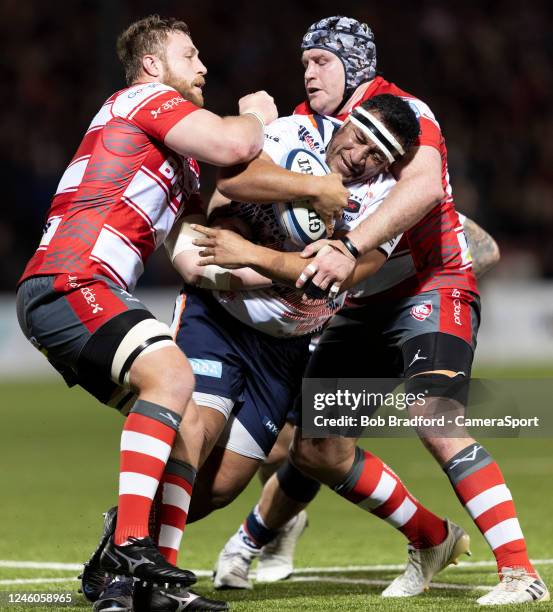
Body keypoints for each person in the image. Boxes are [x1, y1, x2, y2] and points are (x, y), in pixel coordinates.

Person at [209, 16, 549, 606]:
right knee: (316, 448)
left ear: (355, 63)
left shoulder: (405, 112)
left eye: (320, 61)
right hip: (361, 305)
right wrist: (251, 130)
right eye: (304, 61)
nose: (307, 71)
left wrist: (347, 244)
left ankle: (521, 572)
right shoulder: (305, 125)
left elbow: (420, 190)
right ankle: (430, 537)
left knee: (435, 418)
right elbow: (231, 185)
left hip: (431, 286)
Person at [15, 13, 285, 612]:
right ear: (153, 66)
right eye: (191, 55)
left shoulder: (175, 160)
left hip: (78, 290)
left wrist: (279, 273)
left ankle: (146, 585)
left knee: (186, 422)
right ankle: (131, 544)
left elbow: (191, 260)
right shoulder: (144, 99)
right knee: (173, 375)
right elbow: (235, 143)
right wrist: (260, 119)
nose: (204, 67)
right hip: (72, 278)